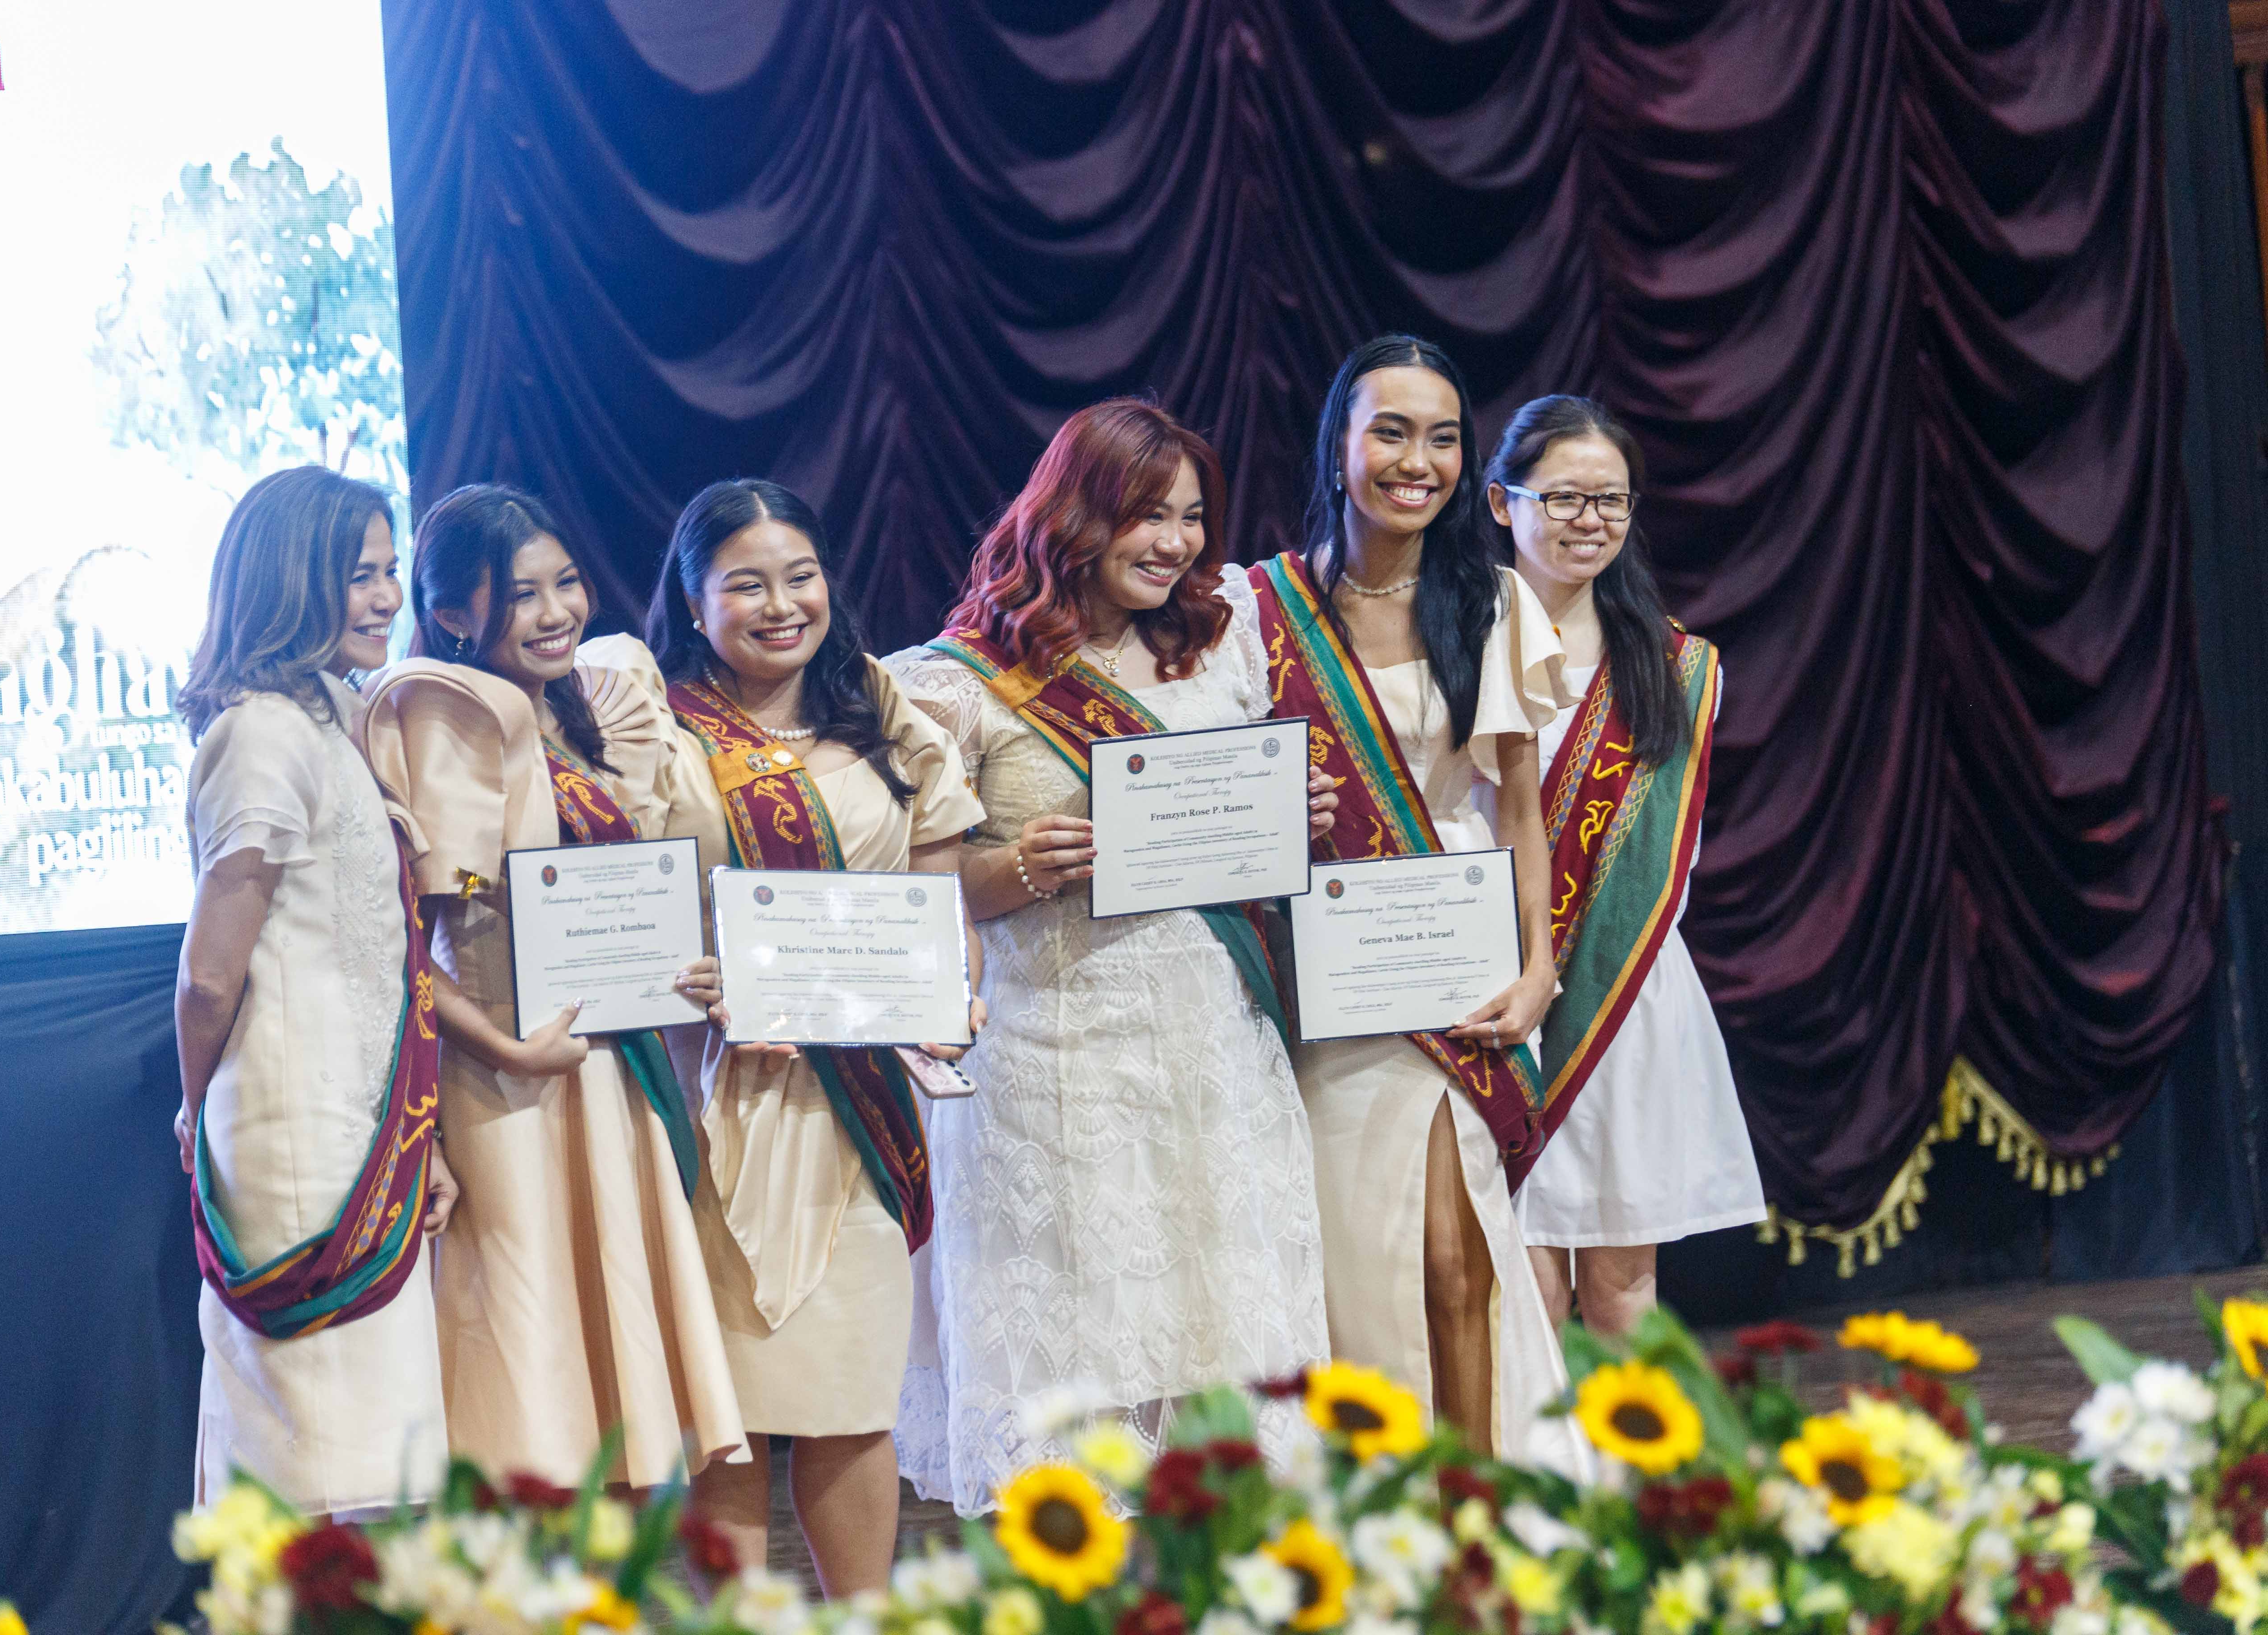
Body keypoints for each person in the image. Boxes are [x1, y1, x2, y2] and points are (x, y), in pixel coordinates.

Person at [886, 398, 1335, 1514]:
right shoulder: (958, 681)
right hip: (1052, 1059)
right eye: (1148, 515)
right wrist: (1018, 866)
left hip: (1211, 1047)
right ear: (1077, 515)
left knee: (1216, 1329)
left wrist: (1291, 818)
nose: (1176, 543)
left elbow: (1235, 840)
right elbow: (913, 892)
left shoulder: (1218, 649)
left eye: (1192, 517)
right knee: (1079, 1345)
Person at [582, 478, 984, 1594]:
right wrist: (688, 984)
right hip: (713, 1102)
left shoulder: (884, 714)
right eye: (746, 585)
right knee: (732, 1416)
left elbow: (943, 904)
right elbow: (618, 918)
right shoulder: (657, 728)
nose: (781, 605)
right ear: (693, 600)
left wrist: (950, 995)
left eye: (800, 577)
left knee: (852, 1401)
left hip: (856, 1109)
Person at [1238, 336, 1586, 1471]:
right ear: (1339, 443)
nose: (1417, 462)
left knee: (1454, 1257)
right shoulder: (1257, 612)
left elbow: (1522, 809)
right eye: (1390, 432)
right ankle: (1380, 1515)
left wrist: (1539, 969)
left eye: (1443, 439)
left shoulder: (1492, 602)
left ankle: (1476, 1517)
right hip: (1323, 980)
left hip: (1453, 960)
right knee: (1356, 1267)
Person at [360, 484, 746, 1489]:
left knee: (613, 1398)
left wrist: (684, 969)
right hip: (503, 1088)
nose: (556, 612)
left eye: (566, 583)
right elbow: (409, 946)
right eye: (522, 594)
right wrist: (504, 1047)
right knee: (528, 1392)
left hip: (609, 1068)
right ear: (454, 613)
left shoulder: (580, 712)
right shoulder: (442, 722)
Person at [175, 465, 457, 1514]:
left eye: (390, 572)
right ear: (293, 579)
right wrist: (195, 1108)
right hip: (292, 1131)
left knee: (377, 1453)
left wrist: (420, 1134)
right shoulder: (259, 735)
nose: (387, 599)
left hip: (365, 1117)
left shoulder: (333, 710)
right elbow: (211, 978)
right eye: (359, 576)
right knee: (305, 1462)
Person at [1482, 395, 1763, 1335]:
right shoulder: (1453, 642)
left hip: (1623, 987)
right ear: (1502, 503)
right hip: (1495, 996)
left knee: (1622, 1281)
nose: (1590, 520)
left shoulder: (1678, 668)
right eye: (1564, 498)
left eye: (1611, 500)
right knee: (1524, 1285)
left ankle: (1628, 1440)